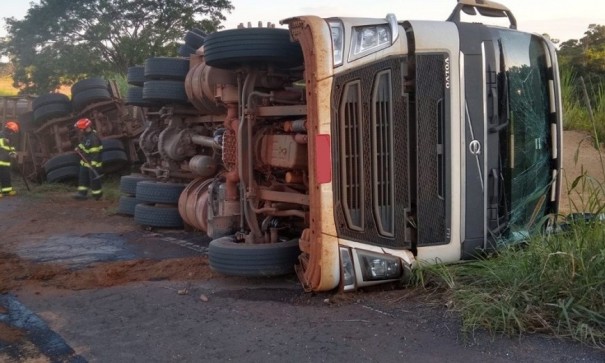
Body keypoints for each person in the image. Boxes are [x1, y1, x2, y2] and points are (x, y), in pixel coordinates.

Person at [73, 118, 104, 200]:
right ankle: (82, 194)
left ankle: (97, 195)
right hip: (85, 162)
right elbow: (84, 144)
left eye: (80, 129)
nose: (79, 131)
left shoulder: (93, 138)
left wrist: (93, 164)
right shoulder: (87, 136)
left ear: (84, 128)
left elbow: (96, 153)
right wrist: (78, 148)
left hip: (93, 163)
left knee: (94, 180)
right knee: (83, 178)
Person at [0, 121, 19, 197]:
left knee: (6, 176)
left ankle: (7, 191)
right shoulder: (1, 134)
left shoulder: (10, 137)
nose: (13, 133)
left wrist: (13, 153)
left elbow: (11, 147)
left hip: (6, 161)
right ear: (9, 129)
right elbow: (2, 144)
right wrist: (4, 141)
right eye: (12, 131)